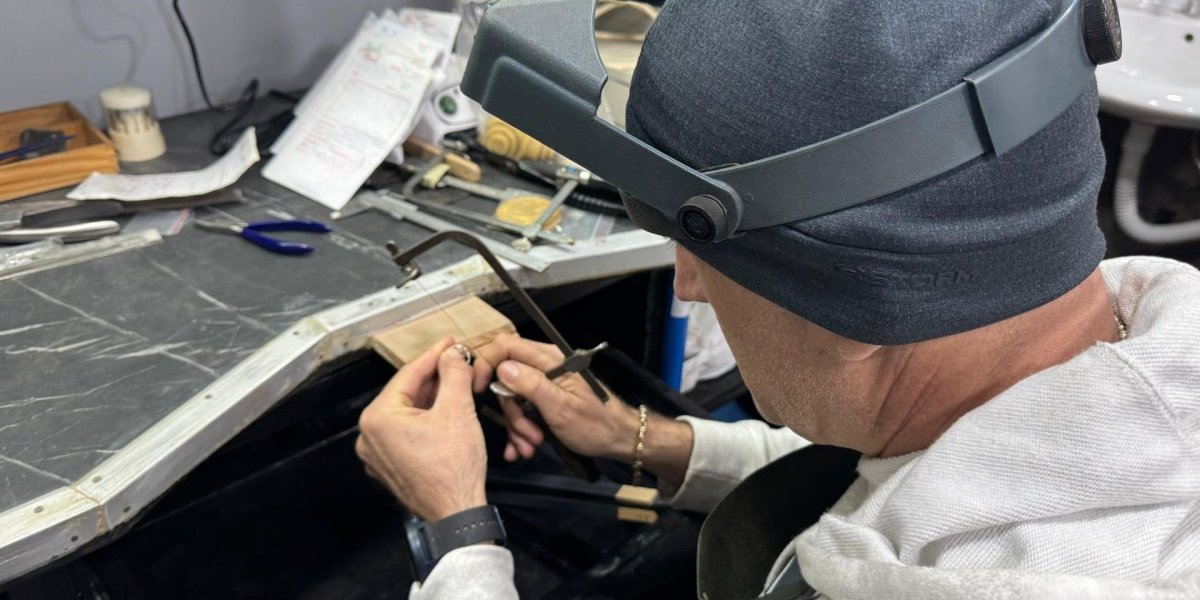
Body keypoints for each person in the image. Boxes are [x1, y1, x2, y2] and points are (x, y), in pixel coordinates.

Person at [354, 0, 1200, 597]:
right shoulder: (1121, 360)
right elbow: (920, 471)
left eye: (697, 250)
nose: (688, 284)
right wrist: (642, 438)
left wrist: (458, 538)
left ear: (853, 292)